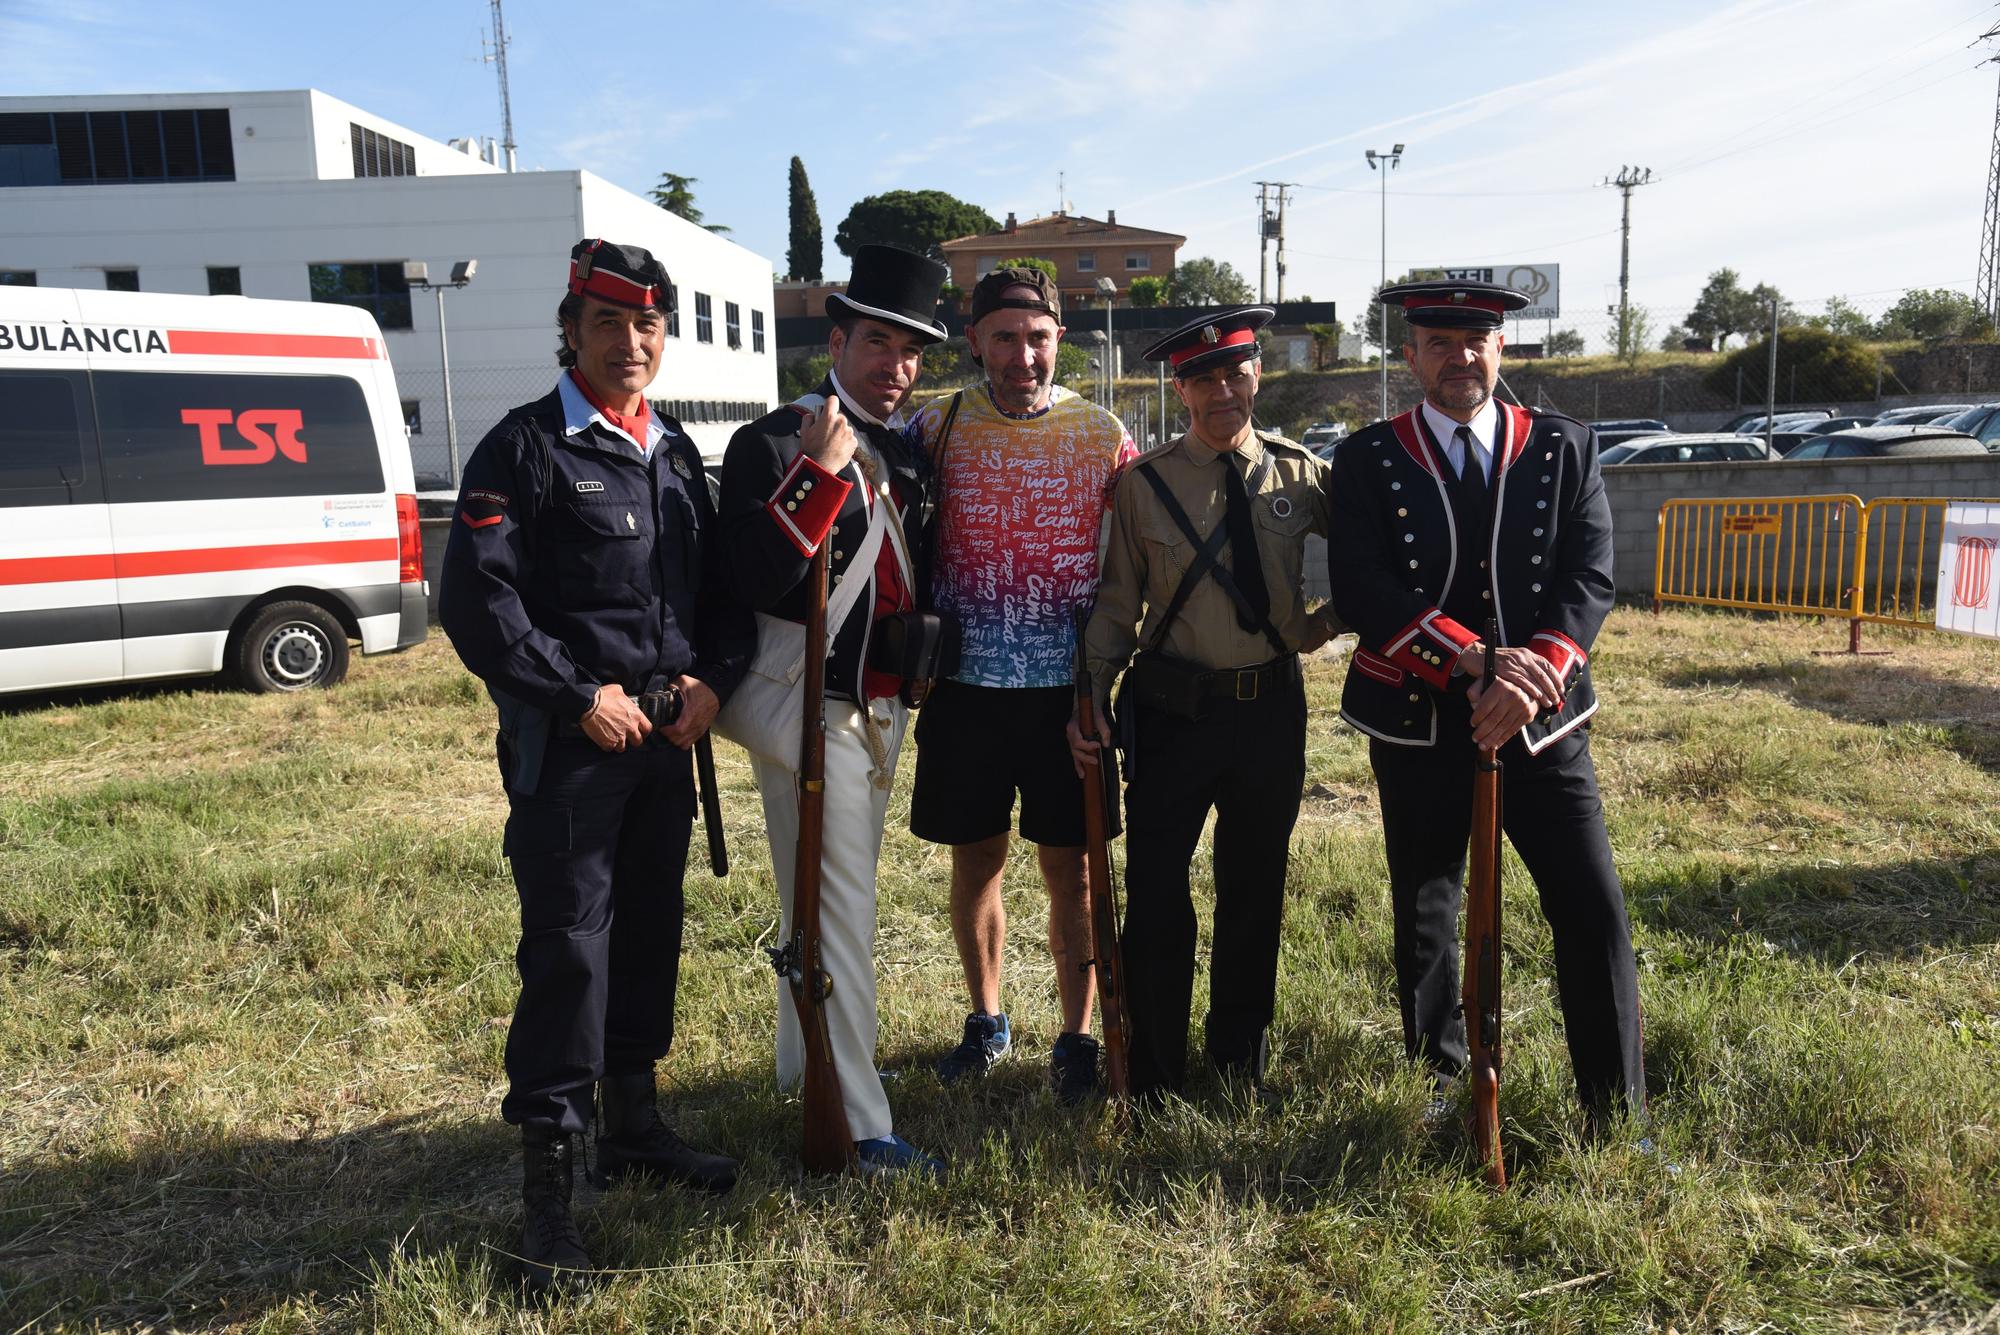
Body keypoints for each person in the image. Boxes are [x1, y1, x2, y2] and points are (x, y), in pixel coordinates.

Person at [438, 239, 753, 1289]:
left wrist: (714, 678)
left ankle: (634, 1130)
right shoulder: (522, 449)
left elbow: (709, 597)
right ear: (570, 333)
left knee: (648, 938)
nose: (631, 343)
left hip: (666, 745)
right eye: (609, 325)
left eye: (648, 325)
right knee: (570, 955)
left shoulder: (675, 455)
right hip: (573, 753)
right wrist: (578, 696)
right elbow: (479, 603)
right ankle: (545, 1202)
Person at [1325, 278, 1646, 1127]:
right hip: (1419, 720)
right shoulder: (1366, 457)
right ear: (1410, 357)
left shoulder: (1565, 446)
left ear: (1502, 348)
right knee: (1427, 911)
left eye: (1476, 342)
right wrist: (1471, 662)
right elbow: (1362, 587)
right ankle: (1441, 1089)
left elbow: (1590, 574)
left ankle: (1616, 1113)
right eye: (1439, 344)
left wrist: (1531, 673)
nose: (1459, 359)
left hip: (1544, 722)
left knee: (1593, 906)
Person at [715, 244, 951, 1177]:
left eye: (911, 352)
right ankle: (858, 1124)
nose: (894, 367)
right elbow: (750, 577)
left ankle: (794, 1065)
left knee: (810, 902)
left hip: (883, 712)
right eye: (879, 343)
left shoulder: (908, 452)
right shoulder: (774, 442)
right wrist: (817, 474)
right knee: (841, 916)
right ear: (839, 339)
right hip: (810, 709)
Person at [1071, 306, 1336, 1099]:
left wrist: (1323, 625)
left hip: (1269, 710)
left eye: (1236, 370)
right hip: (1173, 709)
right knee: (1156, 893)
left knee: (1254, 888)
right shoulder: (1143, 486)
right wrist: (1091, 698)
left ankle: (1236, 1061)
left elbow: (1369, 562)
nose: (1222, 389)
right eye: (1203, 377)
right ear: (1180, 387)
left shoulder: (1302, 474)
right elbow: (1117, 606)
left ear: (1258, 373)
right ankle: (1153, 1071)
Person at [908, 266, 1137, 1102]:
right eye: (1003, 337)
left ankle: (1075, 1037)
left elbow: (1131, 564)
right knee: (976, 861)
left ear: (1059, 341)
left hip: (1066, 696)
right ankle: (988, 1018)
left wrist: (1106, 683)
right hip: (965, 689)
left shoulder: (1103, 433)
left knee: (1072, 874)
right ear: (975, 342)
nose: (1021, 354)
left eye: (1036, 337)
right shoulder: (934, 426)